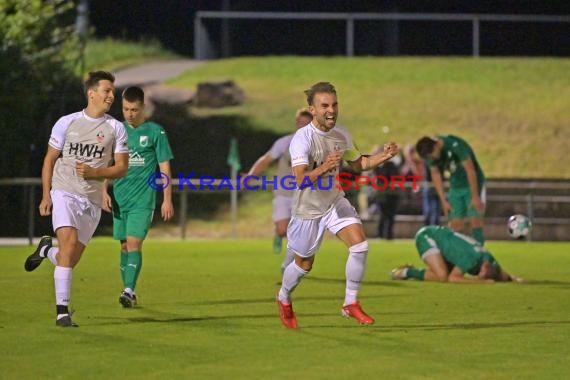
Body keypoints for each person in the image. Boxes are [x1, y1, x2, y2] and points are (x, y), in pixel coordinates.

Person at [276, 82, 398, 329]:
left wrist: (382, 157)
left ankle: (350, 303)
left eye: (334, 104)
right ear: (312, 110)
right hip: (308, 210)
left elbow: (357, 164)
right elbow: (299, 179)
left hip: (333, 201)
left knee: (360, 245)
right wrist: (324, 167)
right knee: (304, 265)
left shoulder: (341, 136)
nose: (331, 110)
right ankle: (283, 297)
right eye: (324, 106)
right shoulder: (302, 139)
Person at [24, 71, 129, 327]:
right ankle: (62, 313)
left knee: (69, 258)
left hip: (90, 200)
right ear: (91, 93)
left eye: (113, 92)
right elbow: (50, 159)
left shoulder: (116, 128)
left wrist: (97, 173)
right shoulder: (66, 122)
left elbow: (122, 168)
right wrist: (47, 194)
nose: (111, 96)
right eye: (107, 91)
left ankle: (46, 250)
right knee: (69, 246)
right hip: (64, 190)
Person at [101, 86, 174, 308]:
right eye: (125, 109)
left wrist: (167, 198)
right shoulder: (117, 130)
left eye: (134, 109)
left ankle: (128, 289)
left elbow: (164, 167)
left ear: (142, 107)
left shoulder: (155, 132)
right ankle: (129, 293)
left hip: (143, 200)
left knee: (134, 243)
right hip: (120, 198)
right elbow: (108, 163)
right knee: (124, 246)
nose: (129, 114)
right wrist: (104, 190)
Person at [244, 108, 312, 256]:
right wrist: (250, 176)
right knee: (282, 229)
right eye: (301, 123)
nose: (303, 127)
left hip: (303, 195)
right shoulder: (285, 142)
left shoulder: (318, 145)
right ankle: (278, 235)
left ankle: (290, 266)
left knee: (297, 231)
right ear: (296, 123)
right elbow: (265, 160)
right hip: (282, 192)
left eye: (307, 124)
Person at [416, 135, 486, 245]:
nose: (432, 159)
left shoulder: (455, 145)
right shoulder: (431, 154)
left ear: (436, 146)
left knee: (475, 220)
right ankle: (460, 255)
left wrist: (475, 196)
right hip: (455, 186)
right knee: (455, 224)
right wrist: (444, 200)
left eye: (431, 155)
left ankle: (480, 253)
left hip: (472, 183)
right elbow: (436, 174)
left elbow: (470, 170)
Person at [391, 225, 524, 283]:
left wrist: (516, 279)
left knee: (442, 273)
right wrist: (479, 283)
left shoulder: (489, 259)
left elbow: (504, 274)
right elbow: (453, 278)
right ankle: (405, 272)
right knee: (443, 276)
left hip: (442, 237)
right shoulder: (471, 259)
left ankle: (413, 270)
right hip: (427, 236)